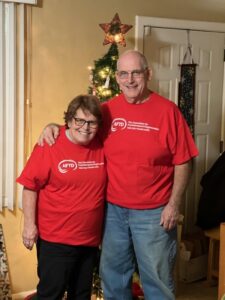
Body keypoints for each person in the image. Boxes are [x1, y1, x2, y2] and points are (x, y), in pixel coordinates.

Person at [38, 50, 198, 300]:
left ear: (148, 74)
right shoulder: (108, 110)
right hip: (113, 212)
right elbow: (81, 127)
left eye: (136, 73)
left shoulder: (169, 112)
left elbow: (184, 161)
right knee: (113, 278)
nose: (130, 79)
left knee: (157, 281)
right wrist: (53, 128)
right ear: (117, 77)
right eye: (123, 73)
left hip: (155, 213)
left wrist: (174, 204)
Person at [17, 95, 107, 300]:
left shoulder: (101, 144)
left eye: (92, 122)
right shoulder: (49, 144)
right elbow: (30, 186)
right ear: (68, 120)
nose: (85, 127)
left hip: (89, 240)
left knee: (81, 295)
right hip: (56, 240)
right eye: (79, 121)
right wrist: (29, 226)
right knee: (51, 294)